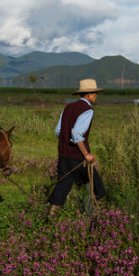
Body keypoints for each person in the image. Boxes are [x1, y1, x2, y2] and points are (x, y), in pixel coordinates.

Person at [48, 78, 106, 217]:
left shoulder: (68, 107)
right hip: (79, 158)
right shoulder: (88, 110)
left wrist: (66, 145)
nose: (95, 96)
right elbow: (76, 133)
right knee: (99, 188)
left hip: (63, 155)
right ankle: (98, 218)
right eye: (94, 93)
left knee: (62, 185)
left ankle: (50, 217)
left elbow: (58, 131)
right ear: (88, 95)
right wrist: (86, 154)